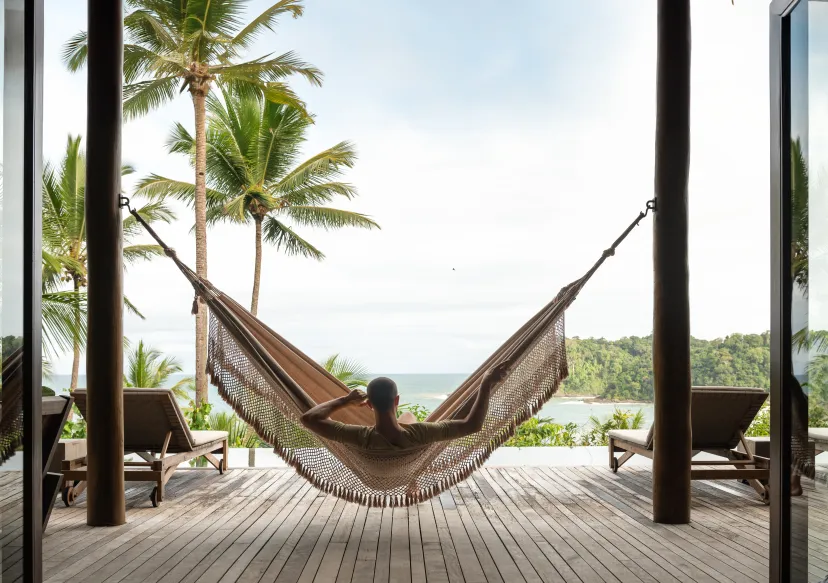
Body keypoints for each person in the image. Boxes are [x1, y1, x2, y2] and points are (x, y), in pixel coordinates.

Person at [300, 359, 513, 449]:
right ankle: (413, 476)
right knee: (409, 416)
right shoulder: (422, 433)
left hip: (377, 453)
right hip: (410, 446)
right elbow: (471, 425)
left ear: (369, 405)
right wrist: (486, 383)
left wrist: (345, 400)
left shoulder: (359, 437)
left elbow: (308, 418)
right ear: (397, 400)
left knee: (408, 417)